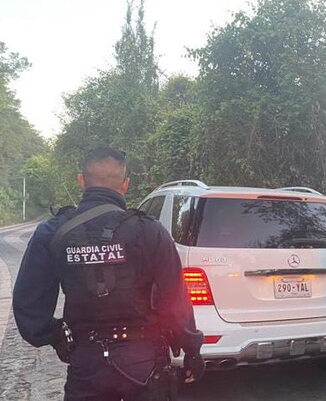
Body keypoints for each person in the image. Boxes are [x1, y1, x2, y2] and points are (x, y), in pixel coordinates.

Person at [13, 147, 205, 400]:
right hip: (144, 359)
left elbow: (29, 305)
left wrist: (56, 336)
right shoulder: (149, 230)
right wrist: (191, 350)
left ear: (81, 180)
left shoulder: (53, 231)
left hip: (87, 361)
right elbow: (174, 300)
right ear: (125, 185)